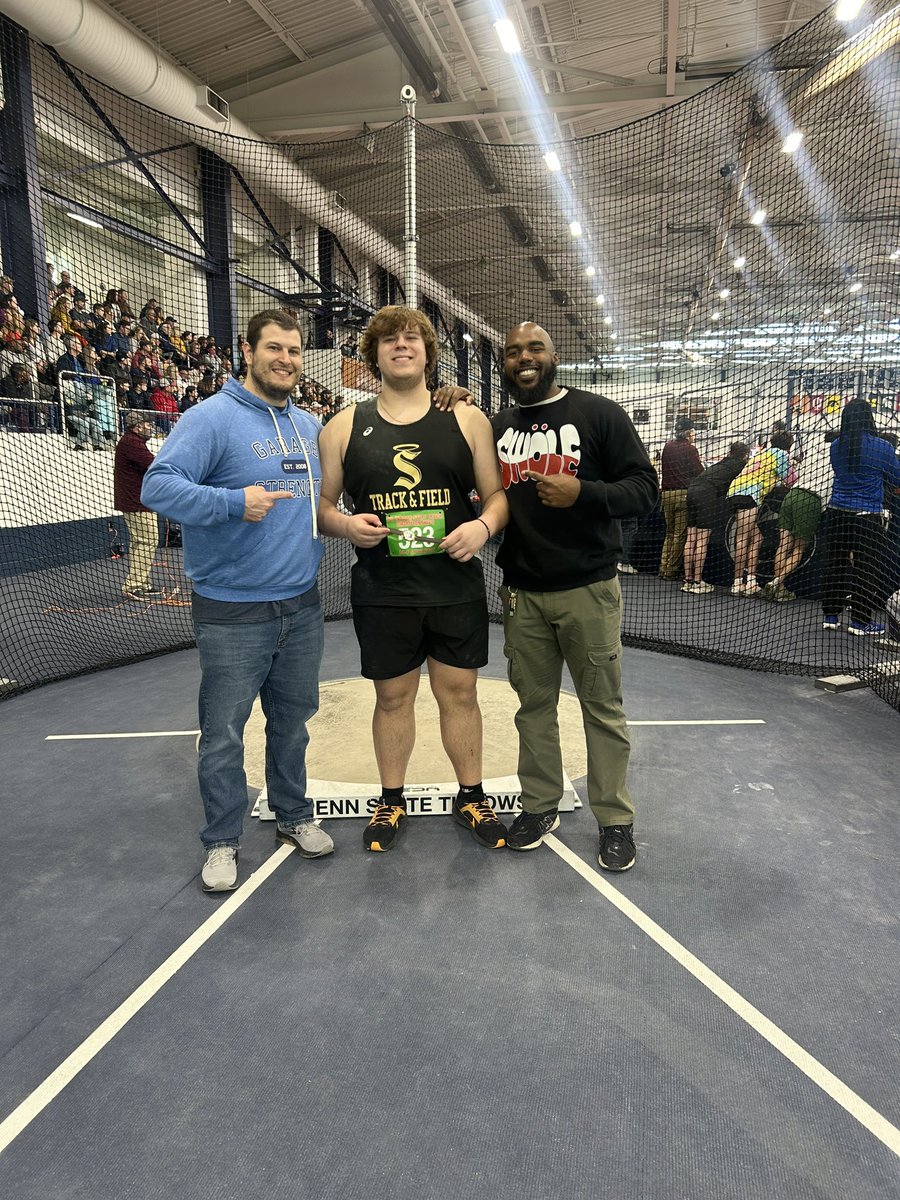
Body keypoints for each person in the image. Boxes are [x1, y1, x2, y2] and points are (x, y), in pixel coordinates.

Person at [141, 309, 333, 893]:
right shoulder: (211, 418)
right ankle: (222, 841)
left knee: (293, 723)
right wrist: (231, 502)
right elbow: (158, 485)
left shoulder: (307, 425)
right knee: (223, 733)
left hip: (300, 607)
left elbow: (317, 500)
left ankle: (293, 814)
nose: (286, 359)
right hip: (231, 611)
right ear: (247, 353)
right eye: (274, 348)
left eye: (295, 350)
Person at [317, 304, 509, 853]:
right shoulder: (344, 426)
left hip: (453, 587)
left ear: (428, 352)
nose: (401, 346)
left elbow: (496, 498)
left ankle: (471, 796)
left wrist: (480, 527)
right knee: (392, 698)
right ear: (373, 355)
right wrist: (347, 525)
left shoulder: (466, 418)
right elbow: (323, 508)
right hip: (384, 591)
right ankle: (391, 801)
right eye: (389, 340)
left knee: (461, 695)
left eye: (412, 339)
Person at [489, 322, 658, 869]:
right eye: (513, 352)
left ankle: (615, 819)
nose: (524, 358)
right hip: (523, 594)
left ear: (553, 356)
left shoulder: (599, 413)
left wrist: (582, 492)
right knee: (533, 709)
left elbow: (644, 492)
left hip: (588, 589)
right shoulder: (498, 425)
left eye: (534, 348)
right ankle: (540, 804)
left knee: (601, 709)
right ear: (505, 364)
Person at [820, 399, 900, 635]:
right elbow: (896, 479)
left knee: (835, 565)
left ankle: (831, 616)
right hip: (867, 517)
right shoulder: (882, 447)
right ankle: (859, 621)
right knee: (865, 569)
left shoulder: (836, 444)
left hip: (837, 514)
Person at [763, 433, 832, 603]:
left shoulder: (812, 454)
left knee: (783, 545)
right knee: (798, 548)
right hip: (810, 500)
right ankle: (776, 582)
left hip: (792, 496)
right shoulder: (840, 458)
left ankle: (779, 589)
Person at [726, 431, 795, 595]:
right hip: (748, 495)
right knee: (743, 538)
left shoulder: (764, 453)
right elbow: (792, 480)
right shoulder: (781, 455)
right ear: (789, 446)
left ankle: (751, 582)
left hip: (736, 492)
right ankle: (737, 584)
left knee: (757, 538)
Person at [682, 441, 750, 593]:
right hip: (706, 495)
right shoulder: (741, 465)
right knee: (702, 539)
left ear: (730, 452)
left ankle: (688, 580)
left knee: (691, 538)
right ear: (745, 455)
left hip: (692, 490)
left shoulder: (722, 462)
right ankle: (698, 582)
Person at [114, 413, 163, 599]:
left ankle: (141, 583)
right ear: (138, 426)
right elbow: (153, 464)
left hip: (137, 500)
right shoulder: (131, 443)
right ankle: (133, 585)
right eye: (147, 424)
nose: (151, 428)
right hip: (136, 502)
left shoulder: (133, 442)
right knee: (148, 541)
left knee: (140, 542)